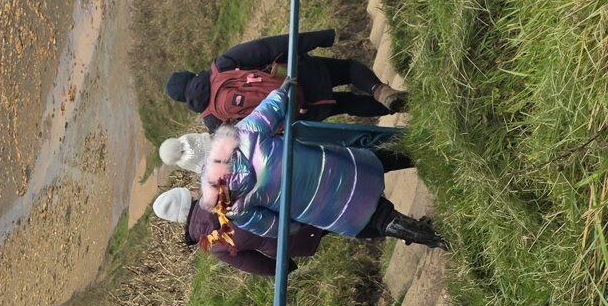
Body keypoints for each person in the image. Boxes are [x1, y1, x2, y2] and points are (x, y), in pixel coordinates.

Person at [202, 85, 442, 248]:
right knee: (381, 159)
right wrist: (284, 88)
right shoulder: (244, 135)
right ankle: (434, 149)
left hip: (322, 209)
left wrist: (300, 219)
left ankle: (439, 238)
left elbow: (275, 227)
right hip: (332, 166)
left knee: (378, 219)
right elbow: (271, 110)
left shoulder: (231, 206)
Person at [165, 28, 405, 131]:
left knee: (346, 104)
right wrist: (321, 37)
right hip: (299, 76)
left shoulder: (213, 123)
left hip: (295, 114)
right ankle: (381, 91)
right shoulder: (222, 66)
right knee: (350, 70)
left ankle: (402, 106)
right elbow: (268, 47)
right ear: (192, 75)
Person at [152, 187, 326, 278]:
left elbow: (252, 264)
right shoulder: (221, 190)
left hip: (287, 242)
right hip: (295, 208)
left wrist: (284, 268)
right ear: (190, 196)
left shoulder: (213, 244)